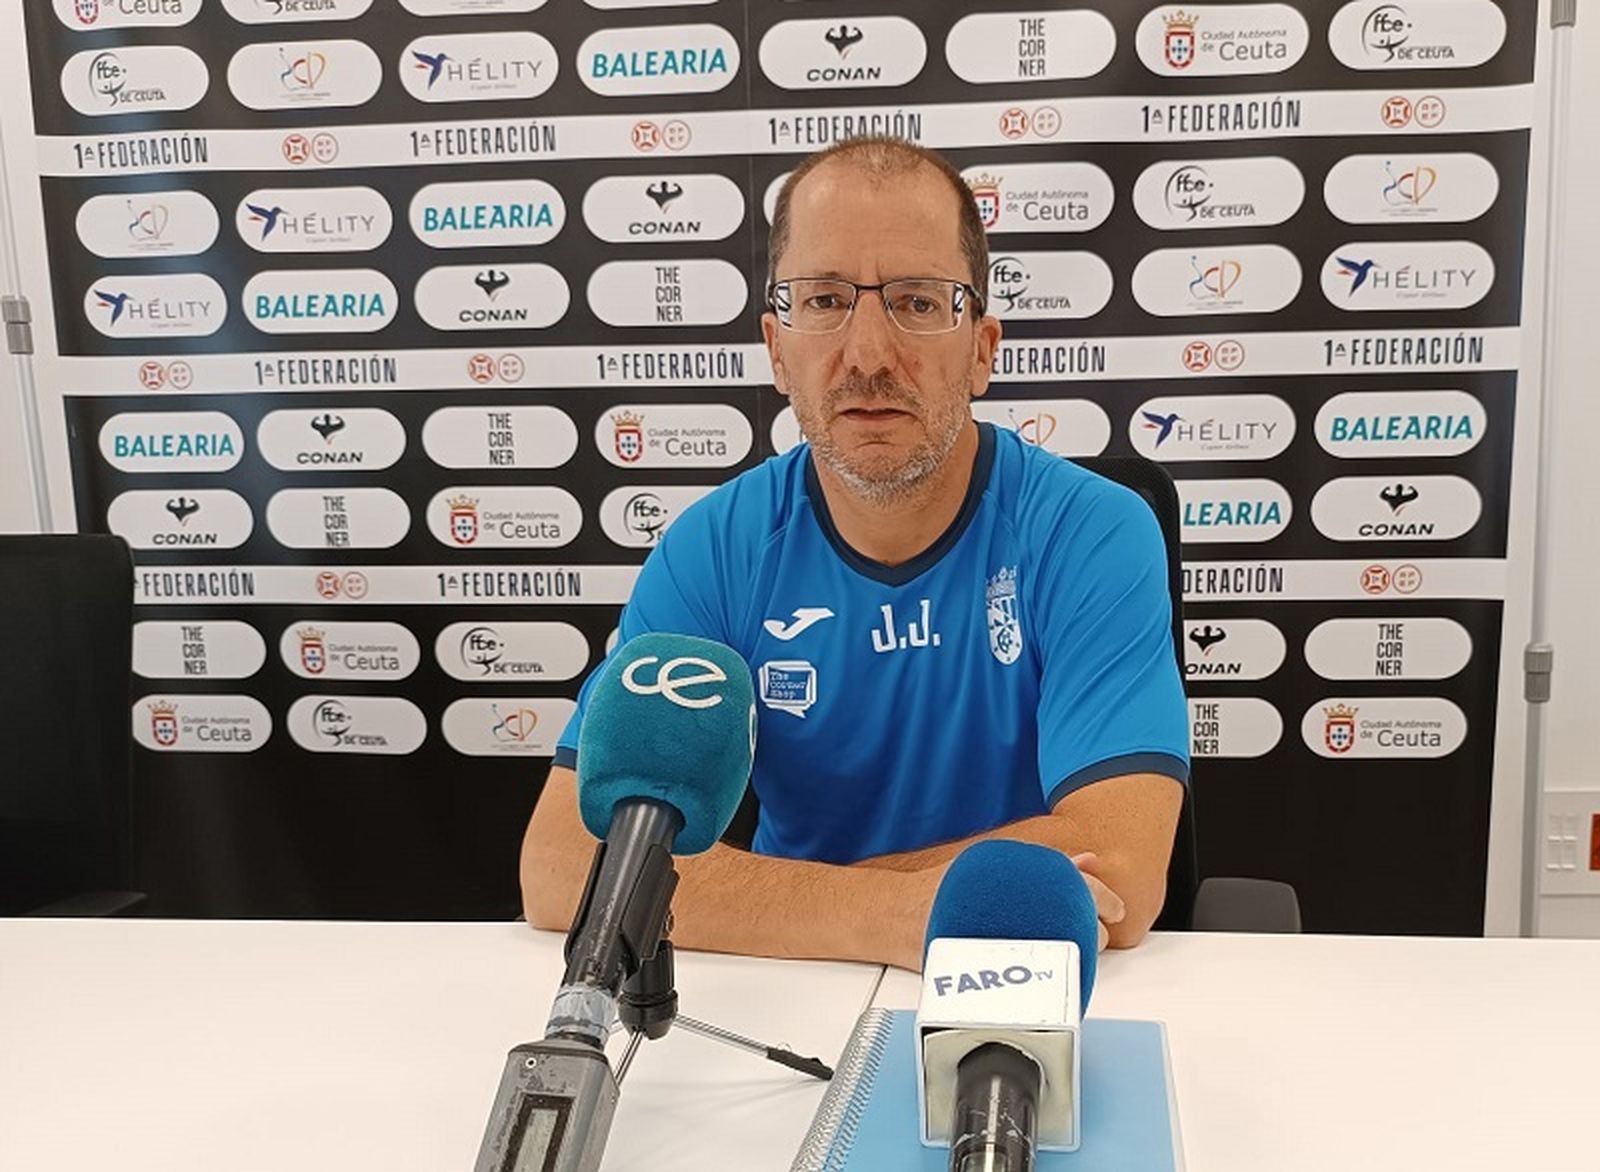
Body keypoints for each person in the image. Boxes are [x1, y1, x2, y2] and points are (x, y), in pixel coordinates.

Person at [522, 136, 1189, 971]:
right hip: (794, 990)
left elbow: (1118, 866)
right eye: (826, 299)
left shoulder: (1092, 531)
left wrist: (781, 900)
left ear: (982, 348)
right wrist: (894, 912)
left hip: (1022, 983)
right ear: (777, 348)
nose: (869, 355)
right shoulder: (714, 548)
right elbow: (561, 868)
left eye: (917, 302)